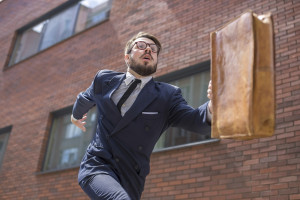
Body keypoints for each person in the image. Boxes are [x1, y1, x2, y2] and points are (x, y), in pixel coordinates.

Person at [71, 32, 213, 200]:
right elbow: (85, 98)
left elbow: (196, 120)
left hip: (132, 175)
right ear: (127, 57)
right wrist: (75, 116)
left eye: (154, 49)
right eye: (141, 46)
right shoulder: (104, 80)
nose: (148, 50)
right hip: (97, 165)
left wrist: (214, 102)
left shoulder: (168, 95)